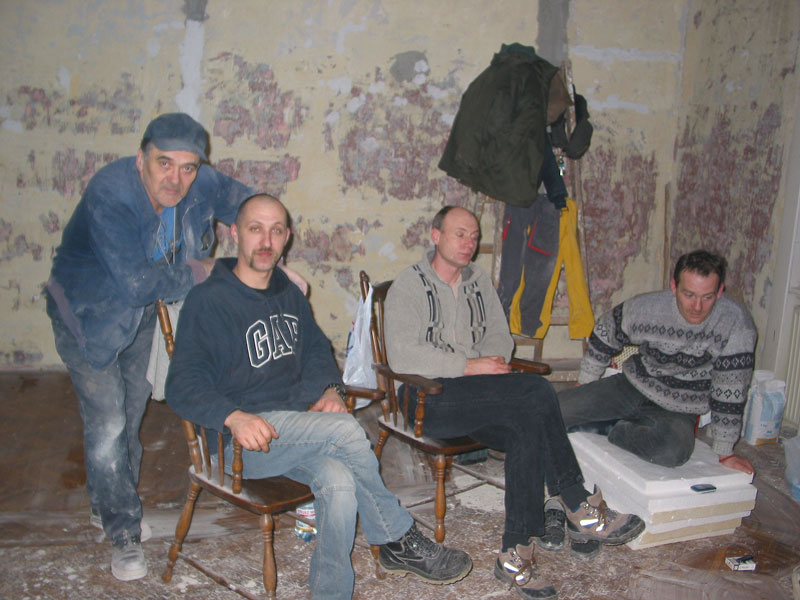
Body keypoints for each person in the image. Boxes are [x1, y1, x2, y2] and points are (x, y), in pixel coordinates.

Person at [164, 195, 472, 600]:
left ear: (287, 237)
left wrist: (331, 389)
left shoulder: (288, 294)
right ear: (235, 234)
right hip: (238, 443)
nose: (266, 241)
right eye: (255, 229)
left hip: (294, 431)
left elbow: (316, 353)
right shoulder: (209, 301)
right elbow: (182, 384)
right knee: (345, 430)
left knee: (339, 480)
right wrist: (233, 416)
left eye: (276, 231)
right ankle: (396, 536)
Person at [45, 113, 305, 582]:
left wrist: (271, 262)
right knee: (108, 421)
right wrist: (215, 269)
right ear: (141, 158)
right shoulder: (111, 193)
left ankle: (104, 503)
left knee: (131, 412)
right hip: (88, 316)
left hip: (142, 314)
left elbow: (260, 212)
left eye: (188, 167)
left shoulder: (200, 181)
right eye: (164, 163)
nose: (177, 179)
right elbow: (138, 284)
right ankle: (123, 530)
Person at [383, 206, 644, 600]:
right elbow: (403, 356)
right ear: (436, 236)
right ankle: (576, 500)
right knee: (537, 392)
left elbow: (500, 340)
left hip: (478, 394)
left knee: (527, 423)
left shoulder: (478, 282)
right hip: (428, 398)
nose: (469, 243)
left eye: (474, 236)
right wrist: (470, 366)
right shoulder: (409, 285)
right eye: (459, 234)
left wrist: (484, 369)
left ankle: (514, 553)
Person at [558, 249, 756, 475]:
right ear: (674, 287)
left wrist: (725, 451)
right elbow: (606, 329)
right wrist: (586, 381)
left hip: (680, 406)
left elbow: (730, 390)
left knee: (671, 452)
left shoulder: (736, 324)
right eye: (689, 295)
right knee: (554, 410)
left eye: (707, 297)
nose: (697, 307)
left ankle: (612, 427)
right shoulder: (649, 308)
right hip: (632, 386)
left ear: (720, 291)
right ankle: (622, 420)